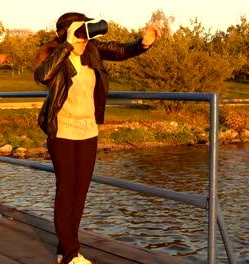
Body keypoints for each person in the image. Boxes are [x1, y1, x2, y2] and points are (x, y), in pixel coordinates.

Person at [33, 12, 160, 264]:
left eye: (84, 37)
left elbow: (121, 50)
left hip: (88, 131)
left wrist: (143, 43)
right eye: (78, 37)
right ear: (65, 35)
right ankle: (71, 255)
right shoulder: (56, 55)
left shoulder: (91, 49)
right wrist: (68, 45)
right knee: (66, 191)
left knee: (80, 194)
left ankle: (64, 249)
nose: (83, 42)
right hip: (62, 132)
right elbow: (43, 76)